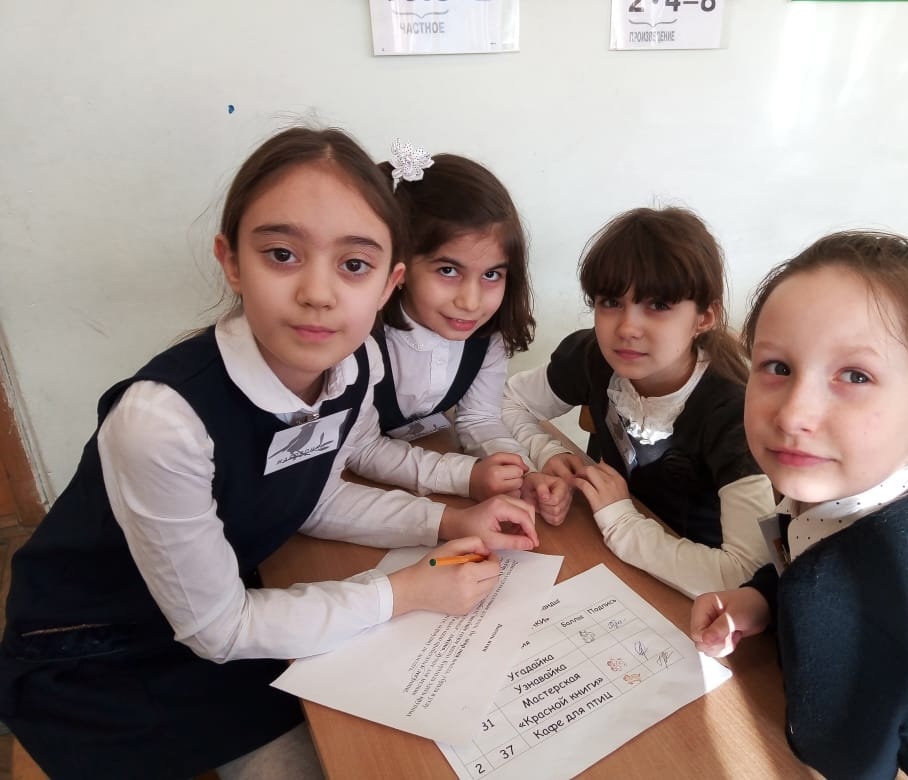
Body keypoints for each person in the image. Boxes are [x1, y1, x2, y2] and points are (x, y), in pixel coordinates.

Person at [0, 126, 539, 780]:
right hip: (99, 652)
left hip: (231, 601)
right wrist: (403, 593)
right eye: (282, 254)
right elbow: (219, 630)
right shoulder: (160, 422)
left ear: (388, 282)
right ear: (231, 261)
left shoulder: (350, 370)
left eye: (354, 265)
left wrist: (451, 521)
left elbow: (314, 496)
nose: (318, 292)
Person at [691, 231, 908, 779]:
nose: (793, 414)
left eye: (855, 376)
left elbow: (842, 765)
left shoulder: (835, 600)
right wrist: (764, 597)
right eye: (777, 367)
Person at [503, 207, 774, 596]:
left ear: (704, 317)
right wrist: (547, 452)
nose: (627, 328)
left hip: (694, 590)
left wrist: (622, 522)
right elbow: (509, 400)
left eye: (658, 305)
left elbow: (747, 574)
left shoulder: (736, 416)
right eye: (611, 302)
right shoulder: (592, 357)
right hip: (606, 552)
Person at [374, 141, 570, 525]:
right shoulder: (361, 339)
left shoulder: (485, 339)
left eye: (492, 274)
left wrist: (520, 473)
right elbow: (360, 449)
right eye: (448, 270)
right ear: (401, 264)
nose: (471, 301)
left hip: (410, 482)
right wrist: (467, 477)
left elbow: (480, 418)